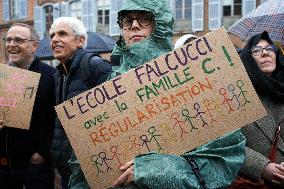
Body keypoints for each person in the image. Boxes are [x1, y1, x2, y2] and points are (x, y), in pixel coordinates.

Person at [69, 0, 246, 189]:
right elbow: (85, 169)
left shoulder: (196, 81)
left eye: (144, 19)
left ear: (160, 24)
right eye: (127, 20)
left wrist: (152, 169)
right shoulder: (107, 90)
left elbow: (222, 161)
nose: (134, 25)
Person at [49, 17, 112, 189]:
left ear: (80, 41)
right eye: (52, 35)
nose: (54, 39)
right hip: (66, 170)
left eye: (62, 34)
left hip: (90, 172)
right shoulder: (59, 74)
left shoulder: (96, 66)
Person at [0, 23, 56, 189]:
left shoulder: (51, 76)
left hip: (34, 168)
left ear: (34, 45)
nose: (11, 45)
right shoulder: (1, 76)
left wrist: (43, 154)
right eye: (8, 40)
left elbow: (59, 122)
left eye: (18, 40)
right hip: (2, 168)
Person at [230, 31, 284, 188]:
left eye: (270, 48)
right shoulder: (236, 95)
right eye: (256, 50)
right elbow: (228, 143)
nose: (265, 52)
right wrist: (263, 167)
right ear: (248, 58)